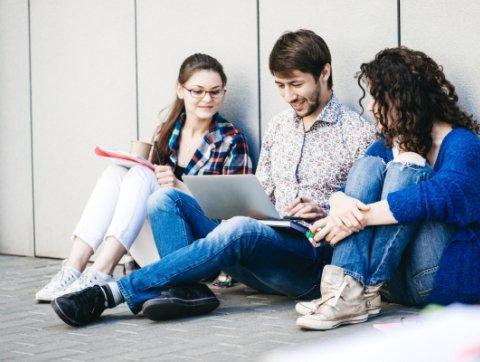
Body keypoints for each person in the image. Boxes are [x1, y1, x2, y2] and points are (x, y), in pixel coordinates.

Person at [50, 29, 376, 327]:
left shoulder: (357, 133)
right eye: (280, 86)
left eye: (296, 84)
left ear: (324, 73)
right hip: (259, 244)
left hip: (307, 261)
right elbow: (259, 194)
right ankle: (186, 291)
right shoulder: (279, 126)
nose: (289, 96)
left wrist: (327, 213)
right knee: (164, 199)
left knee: (239, 228)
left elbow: (365, 215)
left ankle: (111, 293)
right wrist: (252, 205)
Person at [36, 53, 252, 302]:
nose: (207, 99)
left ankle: (101, 271)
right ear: (180, 90)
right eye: (198, 91)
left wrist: (178, 187)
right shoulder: (168, 130)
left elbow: (234, 217)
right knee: (115, 173)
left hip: (199, 254)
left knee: (148, 180)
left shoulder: (231, 139)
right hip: (158, 243)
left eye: (216, 92)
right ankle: (73, 269)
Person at [295, 47, 480, 330]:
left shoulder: (462, 143)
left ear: (405, 99)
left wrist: (360, 217)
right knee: (367, 167)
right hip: (387, 283)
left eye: (378, 98)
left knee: (407, 164)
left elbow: (443, 194)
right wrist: (339, 200)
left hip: (435, 281)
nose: (370, 106)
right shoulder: (389, 142)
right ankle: (346, 292)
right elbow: (354, 185)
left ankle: (348, 293)